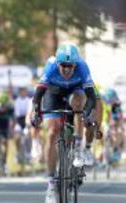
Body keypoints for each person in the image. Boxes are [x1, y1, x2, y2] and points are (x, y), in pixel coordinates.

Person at [30, 44, 97, 203]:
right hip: (53, 92)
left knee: (80, 103)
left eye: (70, 66)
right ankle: (52, 185)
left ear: (75, 64)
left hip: (75, 91)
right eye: (64, 66)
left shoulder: (82, 66)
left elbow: (92, 97)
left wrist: (86, 114)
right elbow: (38, 95)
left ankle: (78, 148)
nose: (67, 69)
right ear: (58, 64)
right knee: (52, 132)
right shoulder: (51, 66)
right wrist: (36, 112)